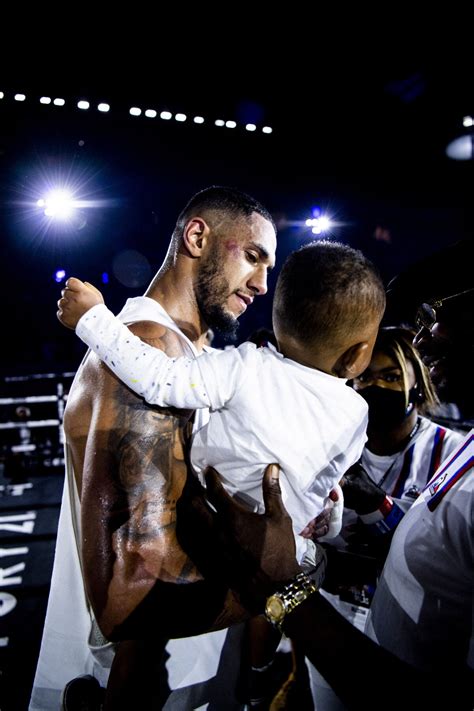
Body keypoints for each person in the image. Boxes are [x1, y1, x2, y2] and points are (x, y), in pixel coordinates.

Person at [30, 185, 277, 711]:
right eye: (252, 257)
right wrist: (280, 584)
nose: (261, 283)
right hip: (149, 686)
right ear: (196, 236)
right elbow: (133, 593)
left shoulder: (192, 361)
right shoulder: (146, 346)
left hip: (194, 673)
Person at [193, 275, 474, 710]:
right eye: (367, 377)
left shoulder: (447, 446)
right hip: (337, 639)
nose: (425, 336)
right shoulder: (338, 436)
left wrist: (285, 588)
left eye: (438, 316)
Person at [55, 239, 386, 563]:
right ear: (358, 354)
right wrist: (328, 518)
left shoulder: (245, 368)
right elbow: (329, 483)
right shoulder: (358, 414)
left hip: (210, 534)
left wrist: (92, 318)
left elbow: (158, 378)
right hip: (291, 548)